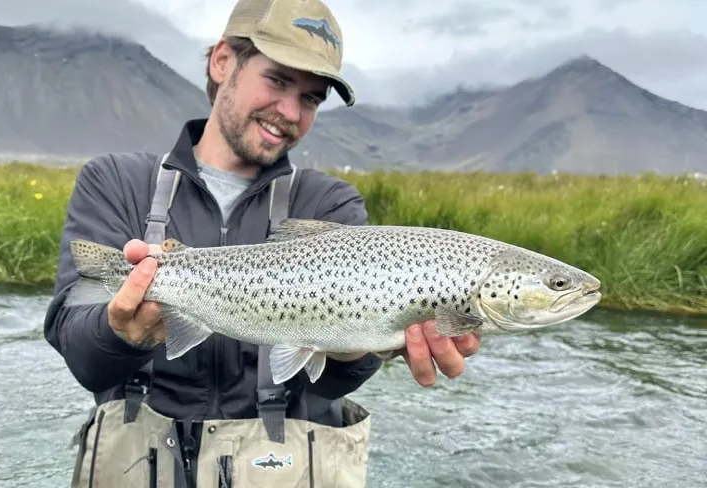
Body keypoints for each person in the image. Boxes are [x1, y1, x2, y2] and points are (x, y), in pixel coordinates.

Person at [43, 0, 480, 486]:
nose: (291, 112)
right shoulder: (117, 182)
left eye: (312, 98)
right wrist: (124, 330)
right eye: (277, 81)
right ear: (223, 61)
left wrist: (359, 349)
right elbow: (81, 354)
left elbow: (331, 383)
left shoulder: (330, 203)